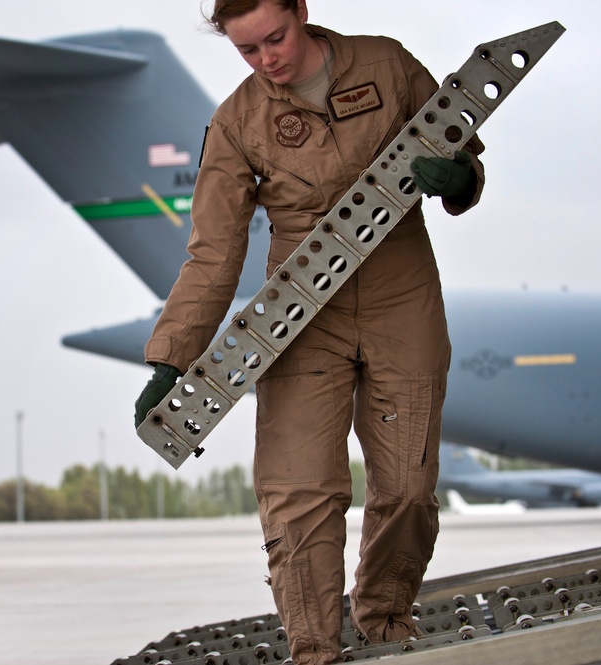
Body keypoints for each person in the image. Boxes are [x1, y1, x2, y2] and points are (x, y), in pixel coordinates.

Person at [134, 1, 484, 662]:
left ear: (300, 10)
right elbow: (212, 255)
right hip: (300, 309)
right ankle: (313, 649)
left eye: (276, 37)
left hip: (399, 290)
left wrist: (460, 179)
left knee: (406, 486)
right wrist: (170, 360)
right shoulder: (237, 121)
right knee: (298, 494)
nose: (269, 59)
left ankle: (384, 618)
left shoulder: (387, 64)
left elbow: (463, 151)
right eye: (248, 51)